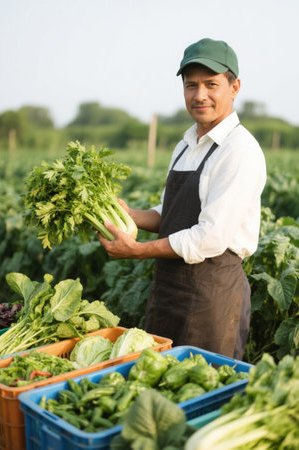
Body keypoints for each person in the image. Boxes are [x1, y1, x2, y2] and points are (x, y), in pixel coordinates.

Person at [98, 37, 267, 360]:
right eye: (191, 86)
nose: (199, 95)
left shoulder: (239, 150)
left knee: (204, 389)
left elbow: (209, 237)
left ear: (235, 87)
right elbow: (171, 213)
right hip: (168, 290)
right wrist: (129, 215)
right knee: (159, 381)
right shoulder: (186, 145)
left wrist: (137, 251)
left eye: (211, 85)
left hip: (212, 295)